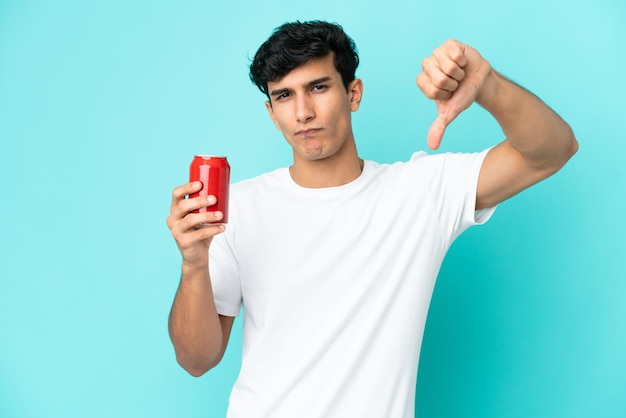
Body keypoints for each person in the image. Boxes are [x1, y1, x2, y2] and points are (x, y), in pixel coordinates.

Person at [166, 20, 577, 417]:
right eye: (285, 96)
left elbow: (551, 151)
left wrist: (488, 85)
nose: (303, 112)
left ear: (354, 93)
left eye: (318, 87)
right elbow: (196, 359)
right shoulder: (238, 209)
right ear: (272, 113)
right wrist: (194, 264)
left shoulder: (419, 193)